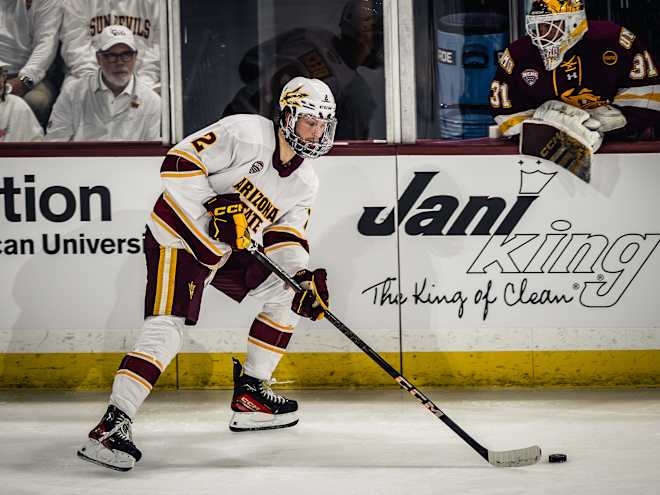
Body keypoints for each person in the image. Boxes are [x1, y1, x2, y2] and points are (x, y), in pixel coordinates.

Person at [77, 76, 336, 471]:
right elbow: (177, 163)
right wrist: (214, 207)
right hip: (178, 235)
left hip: (227, 247)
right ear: (286, 116)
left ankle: (251, 394)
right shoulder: (245, 133)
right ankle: (113, 425)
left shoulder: (306, 180)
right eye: (309, 122)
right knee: (168, 326)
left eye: (323, 124)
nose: (316, 132)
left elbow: (286, 234)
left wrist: (300, 277)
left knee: (286, 294)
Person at [490, 0, 660, 149]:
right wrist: (541, 125)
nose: (541, 33)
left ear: (574, 23)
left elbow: (648, 95)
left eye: (551, 25)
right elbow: (505, 114)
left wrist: (619, 122)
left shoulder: (614, 40)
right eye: (538, 26)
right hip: (546, 153)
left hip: (625, 149)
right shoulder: (518, 54)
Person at [222, 0, 382, 140]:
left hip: (235, 114)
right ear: (365, 37)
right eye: (379, 36)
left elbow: (248, 65)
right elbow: (344, 152)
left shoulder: (310, 35)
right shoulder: (354, 91)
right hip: (268, 140)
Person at [45, 25, 160, 141]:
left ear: (135, 57)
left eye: (126, 55)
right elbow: (54, 143)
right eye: (112, 56)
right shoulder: (72, 94)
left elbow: (152, 153)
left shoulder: (152, 101)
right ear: (98, 58)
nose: (120, 62)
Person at [60, 0, 160, 93]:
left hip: (145, 78)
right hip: (89, 76)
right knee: (71, 92)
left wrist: (141, 85)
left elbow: (160, 51)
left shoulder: (158, 3)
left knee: (163, 101)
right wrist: (98, 85)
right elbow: (76, 49)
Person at [0, 0, 63, 127]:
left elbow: (46, 45)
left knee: (37, 101)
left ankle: (26, 143)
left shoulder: (47, 2)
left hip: (29, 75)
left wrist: (24, 81)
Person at [0, 60, 44, 141]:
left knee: (37, 99)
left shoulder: (18, 104)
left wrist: (23, 83)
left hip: (27, 77)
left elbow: (35, 72)